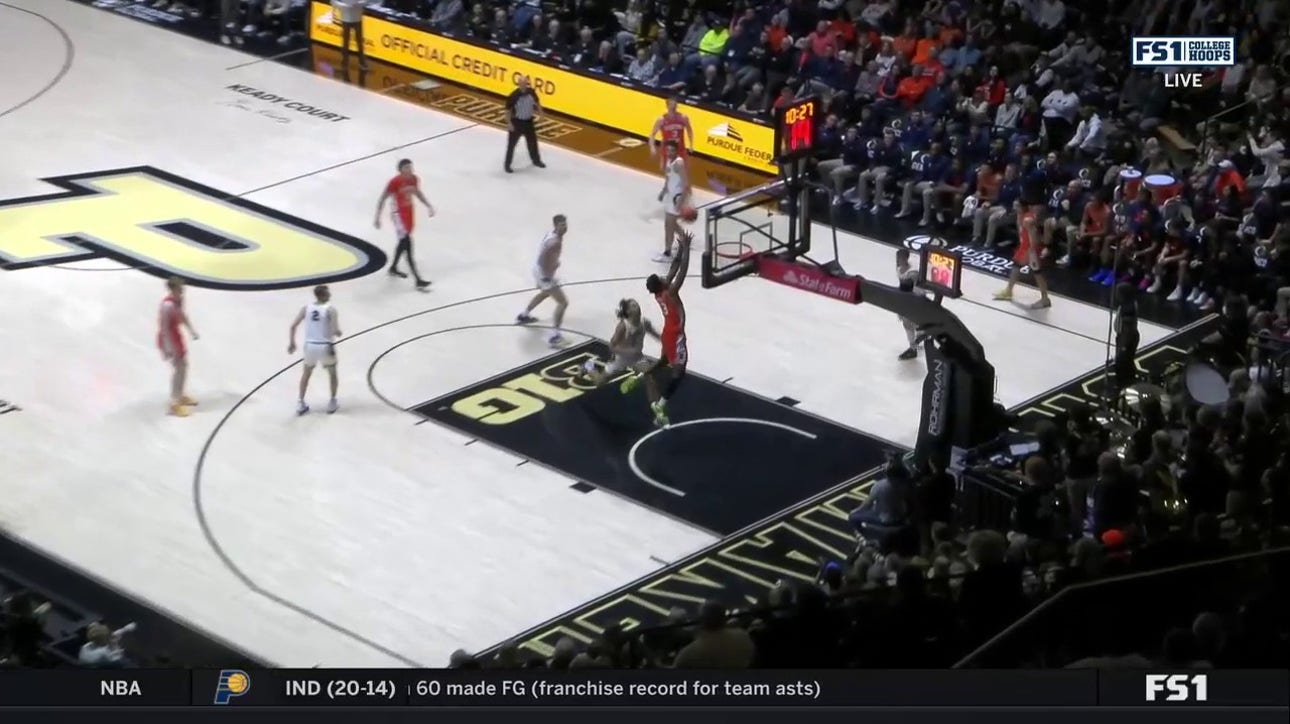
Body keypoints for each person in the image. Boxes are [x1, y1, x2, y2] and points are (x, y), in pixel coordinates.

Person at [622, 231, 692, 427]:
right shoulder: (670, 291)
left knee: (663, 360)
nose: (665, 276)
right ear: (661, 283)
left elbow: (674, 267)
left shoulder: (660, 292)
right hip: (676, 335)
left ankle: (639, 376)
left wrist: (678, 252)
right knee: (679, 373)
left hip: (667, 332)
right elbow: (683, 271)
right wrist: (686, 249)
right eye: (662, 277)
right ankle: (661, 404)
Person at [374, 158, 434, 291]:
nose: (410, 169)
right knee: (408, 245)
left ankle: (393, 267)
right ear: (400, 170)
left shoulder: (414, 179)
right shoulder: (395, 182)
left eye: (411, 167)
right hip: (398, 215)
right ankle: (418, 279)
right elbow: (383, 198)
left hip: (409, 212)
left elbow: (417, 193)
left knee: (402, 244)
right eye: (407, 167)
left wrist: (428, 205)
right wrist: (377, 217)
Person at [516, 214, 570, 348]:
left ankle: (524, 315)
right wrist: (548, 275)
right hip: (544, 274)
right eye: (562, 225)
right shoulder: (555, 242)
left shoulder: (551, 235)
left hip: (538, 271)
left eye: (565, 224)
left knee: (545, 293)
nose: (565, 227)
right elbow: (545, 257)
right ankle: (555, 336)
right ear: (556, 226)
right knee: (563, 302)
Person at [288, 285, 342, 415]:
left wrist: (292, 343)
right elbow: (335, 331)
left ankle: (300, 402)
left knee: (306, 374)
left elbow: (293, 326)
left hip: (310, 346)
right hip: (325, 345)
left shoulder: (306, 308)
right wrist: (338, 332)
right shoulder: (331, 310)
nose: (330, 295)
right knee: (332, 373)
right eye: (328, 293)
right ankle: (332, 402)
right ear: (323, 295)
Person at [993, 198, 1052, 309]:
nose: (1015, 207)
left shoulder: (1027, 219)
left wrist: (1031, 252)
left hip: (1031, 249)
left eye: (1017, 206)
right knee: (1016, 266)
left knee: (1037, 274)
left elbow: (1034, 237)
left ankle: (1045, 299)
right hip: (1025, 246)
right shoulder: (1020, 216)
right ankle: (1008, 291)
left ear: (1023, 207)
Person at [583, 298, 658, 386]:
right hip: (620, 359)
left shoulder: (644, 322)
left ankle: (655, 400)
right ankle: (590, 368)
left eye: (637, 304)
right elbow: (612, 346)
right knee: (599, 382)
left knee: (650, 378)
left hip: (637, 358)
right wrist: (630, 351)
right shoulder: (623, 326)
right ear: (628, 311)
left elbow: (655, 334)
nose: (638, 307)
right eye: (634, 306)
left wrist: (666, 341)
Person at [157, 276, 199, 417]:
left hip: (176, 336)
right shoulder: (167, 306)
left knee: (183, 367)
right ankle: (174, 404)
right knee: (178, 369)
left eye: (182, 289)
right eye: (180, 289)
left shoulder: (178, 300)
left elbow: (182, 316)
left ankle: (180, 396)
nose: (182, 291)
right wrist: (168, 348)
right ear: (173, 289)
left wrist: (191, 330)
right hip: (169, 338)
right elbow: (164, 328)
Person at [649, 96, 693, 201]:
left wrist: (691, 145)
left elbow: (690, 131)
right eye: (671, 105)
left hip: (680, 150)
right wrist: (652, 147)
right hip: (667, 152)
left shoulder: (683, 117)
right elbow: (652, 135)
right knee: (669, 175)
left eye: (675, 105)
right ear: (667, 106)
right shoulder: (661, 120)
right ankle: (666, 190)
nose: (673, 107)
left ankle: (687, 196)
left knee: (683, 174)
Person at [655, 140, 691, 263]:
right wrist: (663, 191)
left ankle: (667, 253)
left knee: (668, 225)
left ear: (676, 151)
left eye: (672, 150)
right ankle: (685, 239)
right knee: (672, 224)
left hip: (677, 198)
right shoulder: (669, 161)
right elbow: (668, 179)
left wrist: (681, 201)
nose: (669, 152)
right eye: (668, 150)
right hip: (670, 197)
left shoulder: (678, 164)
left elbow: (686, 184)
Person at [504, 76, 545, 173]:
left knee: (532, 142)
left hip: (528, 122)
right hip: (517, 122)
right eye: (522, 83)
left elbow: (537, 102)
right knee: (511, 145)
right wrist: (509, 123)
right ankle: (507, 165)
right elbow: (507, 110)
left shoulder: (531, 92)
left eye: (525, 83)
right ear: (519, 84)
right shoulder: (514, 96)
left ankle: (536, 160)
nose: (524, 85)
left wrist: (541, 113)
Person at [895, 248, 921, 360]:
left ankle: (913, 348)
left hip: (915, 298)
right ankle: (920, 335)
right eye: (897, 258)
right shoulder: (899, 268)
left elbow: (915, 289)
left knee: (908, 323)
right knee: (908, 323)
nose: (897, 260)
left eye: (899, 258)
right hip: (906, 297)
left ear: (905, 258)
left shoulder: (913, 273)